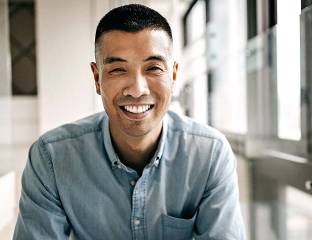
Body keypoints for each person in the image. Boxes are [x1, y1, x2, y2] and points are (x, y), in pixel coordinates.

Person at [13, 4, 245, 240]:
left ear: (173, 76)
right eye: (118, 70)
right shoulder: (51, 158)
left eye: (153, 68)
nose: (137, 89)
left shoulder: (210, 154)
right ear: (97, 78)